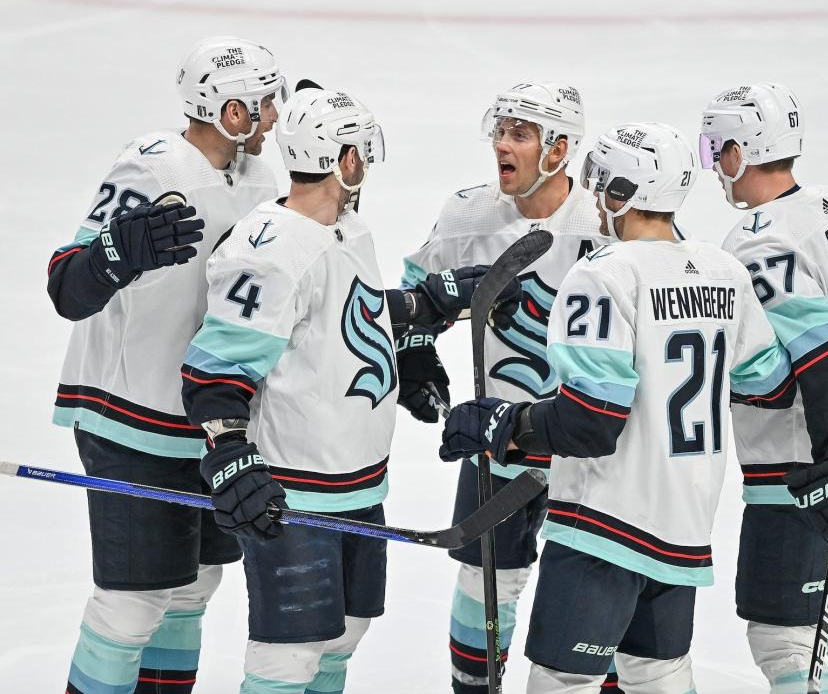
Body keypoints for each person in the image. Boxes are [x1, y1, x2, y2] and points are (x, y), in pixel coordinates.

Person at [180, 83, 519, 694]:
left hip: (359, 484)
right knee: (288, 658)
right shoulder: (271, 249)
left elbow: (337, 316)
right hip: (297, 491)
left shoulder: (345, 228)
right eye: (362, 151)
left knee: (345, 634)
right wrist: (229, 454)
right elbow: (216, 369)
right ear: (345, 160)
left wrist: (422, 306)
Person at [438, 122, 795, 693]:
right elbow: (771, 383)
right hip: (684, 525)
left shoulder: (603, 275)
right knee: (658, 676)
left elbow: (591, 423)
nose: (592, 192)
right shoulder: (726, 273)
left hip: (604, 526)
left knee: (563, 682)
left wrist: (503, 424)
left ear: (623, 191)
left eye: (598, 180)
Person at [46, 36, 285, 694]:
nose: (276, 115)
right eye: (267, 103)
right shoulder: (152, 164)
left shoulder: (262, 179)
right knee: (131, 608)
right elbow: (68, 286)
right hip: (128, 416)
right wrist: (113, 256)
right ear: (232, 113)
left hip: (204, 420)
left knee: (191, 593)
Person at [399, 82, 642, 692]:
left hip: (589, 445)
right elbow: (413, 291)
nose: (502, 145)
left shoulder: (607, 221)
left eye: (521, 134)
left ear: (559, 149)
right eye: (500, 131)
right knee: (483, 581)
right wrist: (418, 350)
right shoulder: (467, 215)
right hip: (499, 437)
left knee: (595, 583)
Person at [699, 82, 828, 694]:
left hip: (810, 470)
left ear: (741, 152)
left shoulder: (757, 243)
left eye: (718, 148)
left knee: (779, 637)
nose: (715, 164)